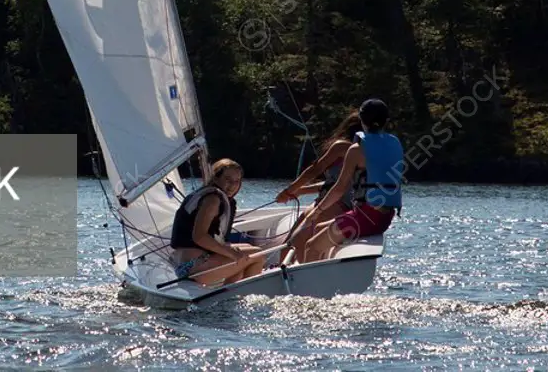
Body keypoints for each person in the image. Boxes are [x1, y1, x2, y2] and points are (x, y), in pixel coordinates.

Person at [300, 97, 403, 264]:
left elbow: (339, 189)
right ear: (387, 121)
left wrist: (316, 212)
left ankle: (306, 290)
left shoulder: (356, 149)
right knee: (319, 229)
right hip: (384, 217)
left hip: (365, 217)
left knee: (311, 247)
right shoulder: (395, 143)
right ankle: (327, 277)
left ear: (361, 120)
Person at [275, 109, 363, 264]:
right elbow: (334, 182)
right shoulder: (366, 153)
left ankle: (298, 280)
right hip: (342, 204)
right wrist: (301, 191)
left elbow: (315, 170)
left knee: (294, 243)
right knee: (289, 244)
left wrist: (289, 190)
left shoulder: (342, 147)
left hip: (334, 204)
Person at [169, 158, 266, 286]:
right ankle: (241, 296)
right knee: (258, 255)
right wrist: (232, 253)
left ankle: (231, 297)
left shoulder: (210, 195)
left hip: (189, 262)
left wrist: (233, 253)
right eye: (227, 179)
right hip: (190, 267)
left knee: (245, 252)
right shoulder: (212, 200)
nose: (232, 185)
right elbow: (199, 237)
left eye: (236, 181)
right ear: (215, 178)